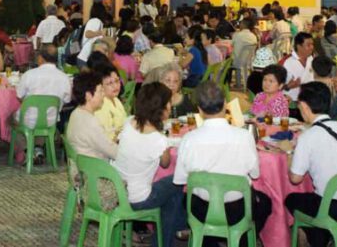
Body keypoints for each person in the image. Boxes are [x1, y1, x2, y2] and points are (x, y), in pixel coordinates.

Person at [173, 81, 272, 244]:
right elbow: (255, 174)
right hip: (237, 209)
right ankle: (240, 239)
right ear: (226, 105)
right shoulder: (243, 137)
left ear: (199, 109)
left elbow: (180, 179)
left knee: (188, 200)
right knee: (265, 203)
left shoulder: (189, 139)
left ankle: (207, 240)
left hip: (201, 209)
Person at [285, 82, 337, 247]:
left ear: (304, 106)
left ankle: (319, 237)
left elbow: (295, 179)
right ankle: (324, 236)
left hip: (331, 208)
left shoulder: (307, 137)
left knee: (291, 199)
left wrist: (289, 152)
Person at [113, 82, 186, 247]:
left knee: (172, 198)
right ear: (161, 108)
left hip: (119, 191)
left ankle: (165, 237)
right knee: (178, 180)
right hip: (139, 198)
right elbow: (166, 164)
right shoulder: (157, 139)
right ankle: (172, 233)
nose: (170, 105)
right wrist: (166, 143)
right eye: (168, 103)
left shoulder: (129, 122)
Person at [93, 62, 128, 142]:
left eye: (117, 81)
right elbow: (107, 139)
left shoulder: (115, 99)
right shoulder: (101, 106)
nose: (115, 86)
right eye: (109, 83)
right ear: (100, 86)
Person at [283, 32, 315, 100]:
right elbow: (278, 87)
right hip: (292, 102)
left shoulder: (312, 60)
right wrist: (289, 86)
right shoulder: (288, 63)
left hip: (310, 100)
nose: (312, 47)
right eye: (308, 45)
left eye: (312, 44)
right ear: (299, 46)